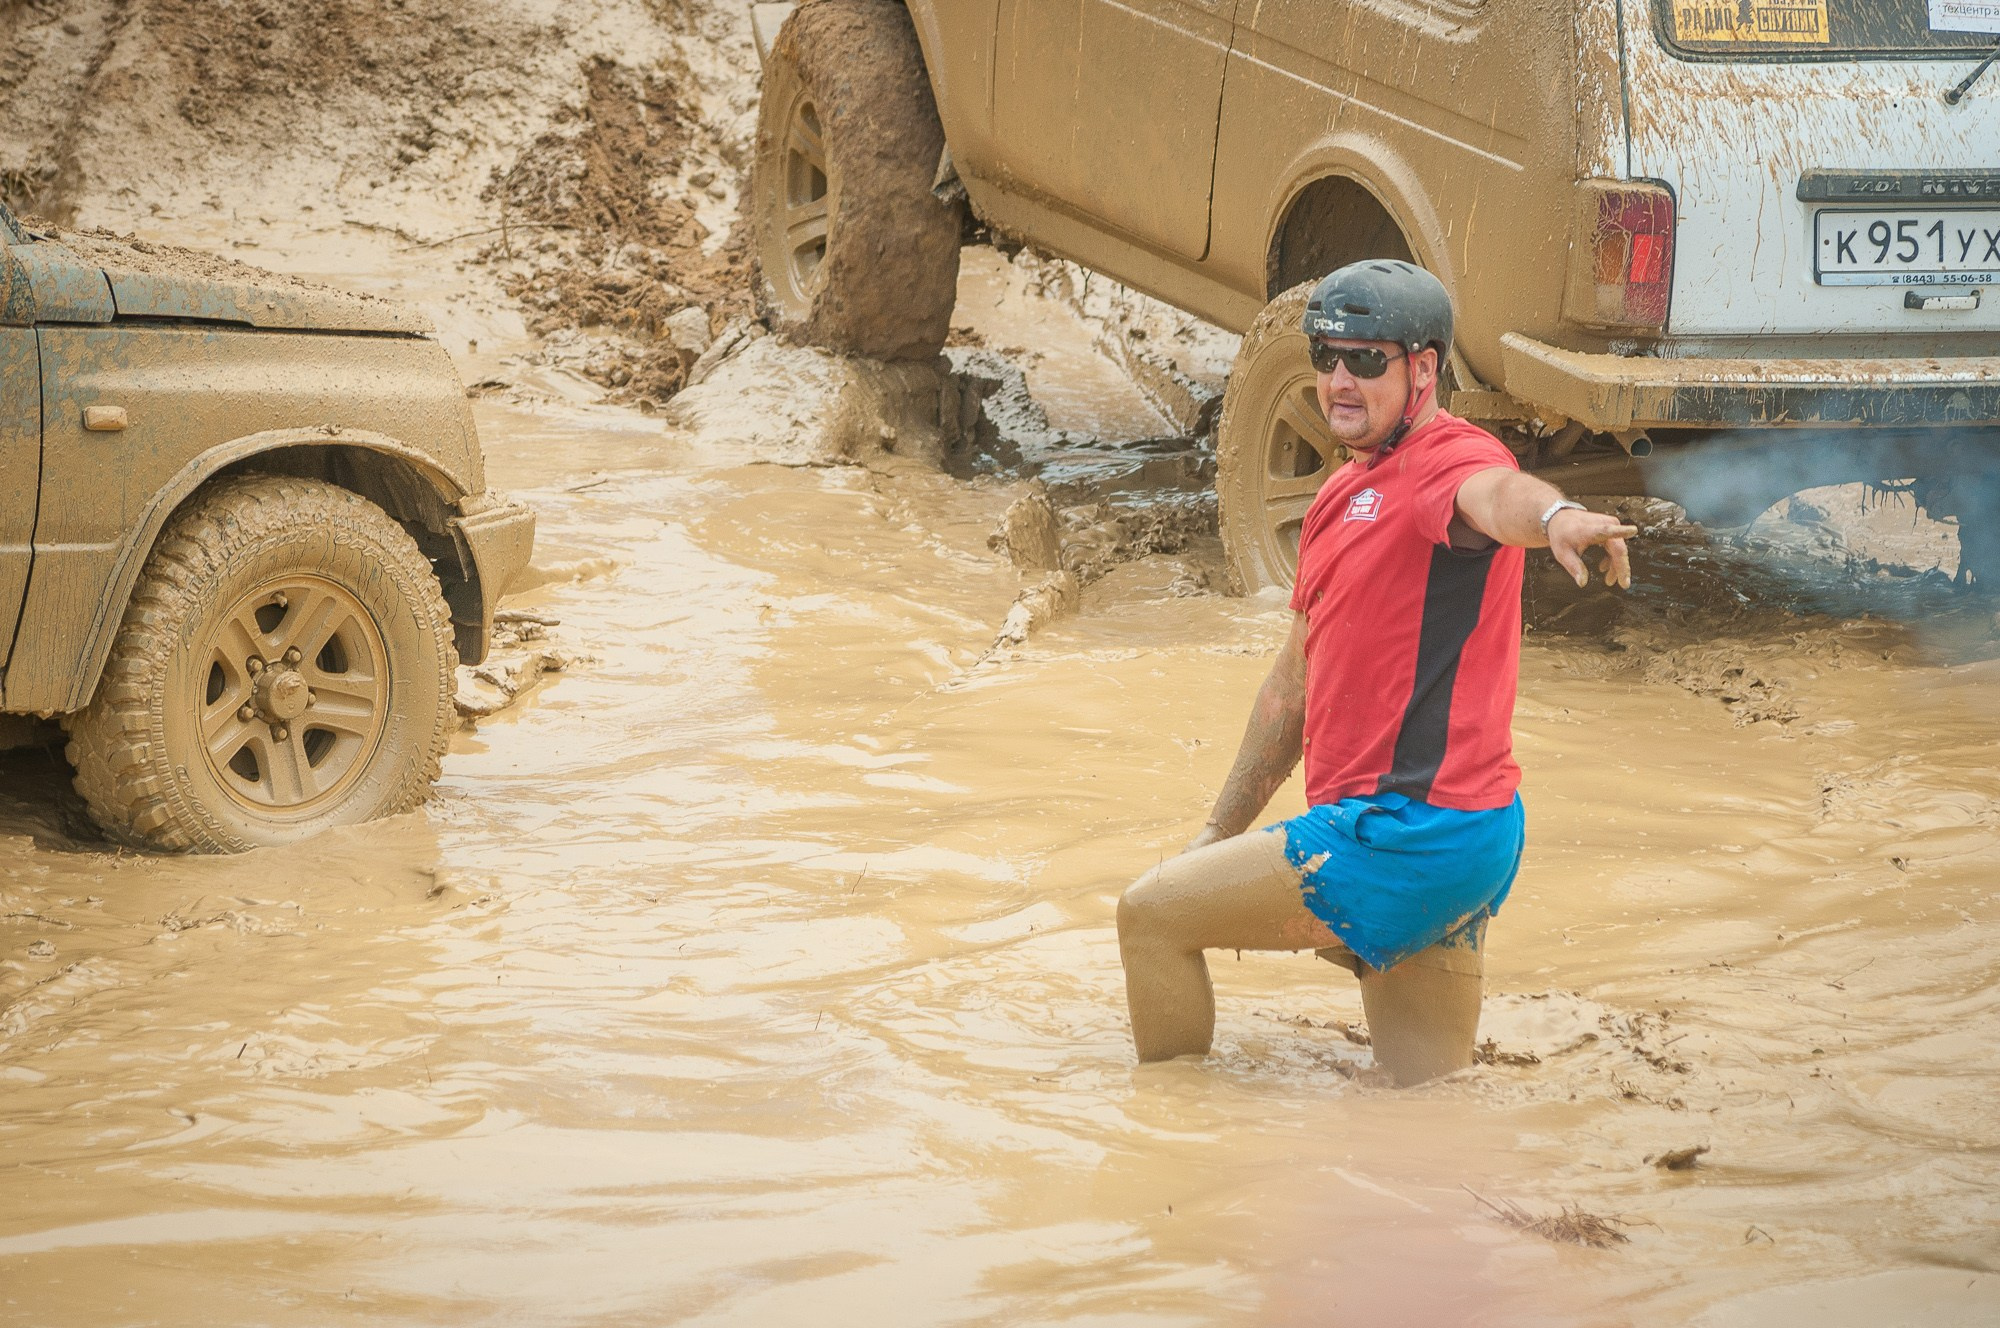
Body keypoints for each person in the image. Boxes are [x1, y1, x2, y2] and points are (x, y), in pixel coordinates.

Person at [1116, 260, 1638, 1085]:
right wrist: (1217, 834)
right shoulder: (1339, 495)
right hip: (1469, 838)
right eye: (1326, 356)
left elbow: (1495, 494)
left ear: (1423, 369)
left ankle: (1166, 1145)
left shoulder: (1447, 460)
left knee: (1150, 917)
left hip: (1403, 831)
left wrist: (1555, 516)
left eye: (1366, 359)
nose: (1338, 380)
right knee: (1425, 1106)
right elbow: (1292, 686)